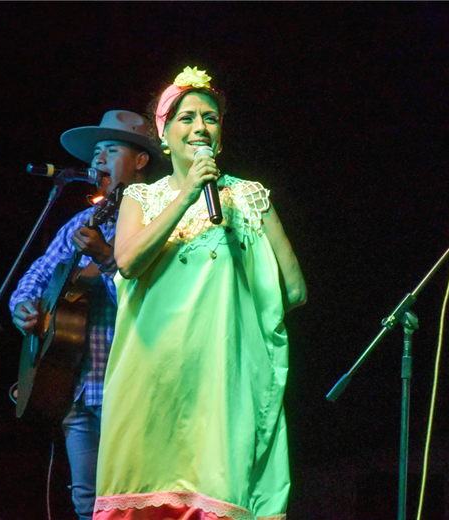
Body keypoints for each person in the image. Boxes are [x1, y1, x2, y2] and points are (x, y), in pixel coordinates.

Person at [92, 66, 306, 520]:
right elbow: (128, 261)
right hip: (154, 379)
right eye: (186, 117)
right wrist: (187, 193)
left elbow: (293, 287)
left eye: (210, 117)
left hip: (223, 382)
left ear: (221, 137)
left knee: (219, 497)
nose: (200, 126)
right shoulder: (140, 199)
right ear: (164, 135)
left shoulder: (250, 197)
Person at [10, 110, 158, 520]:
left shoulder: (157, 217)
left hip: (128, 386)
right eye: (96, 152)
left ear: (140, 160)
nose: (98, 160)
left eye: (111, 149)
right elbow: (34, 277)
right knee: (85, 504)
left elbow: (150, 299)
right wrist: (22, 308)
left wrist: (108, 259)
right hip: (73, 385)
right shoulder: (80, 222)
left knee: (134, 501)